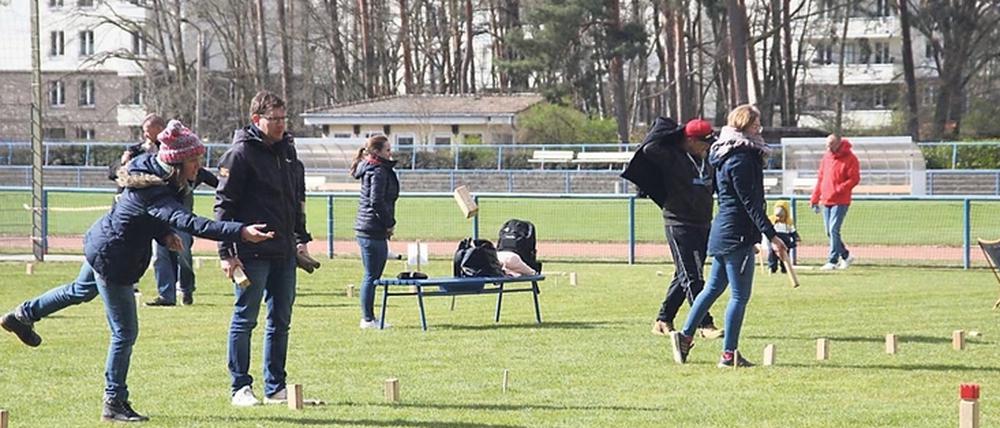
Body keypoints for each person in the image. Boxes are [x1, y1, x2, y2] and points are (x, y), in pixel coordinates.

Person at [2, 120, 273, 422]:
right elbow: (195, 223)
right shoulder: (155, 192)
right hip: (113, 258)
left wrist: (162, 234)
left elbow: (153, 212)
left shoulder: (152, 167)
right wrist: (241, 232)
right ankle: (114, 402)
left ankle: (22, 315)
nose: (199, 166)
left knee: (79, 290)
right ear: (177, 163)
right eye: (195, 161)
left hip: (101, 241)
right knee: (125, 332)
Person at [216, 90, 314, 407]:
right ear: (257, 120)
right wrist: (226, 253)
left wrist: (300, 240)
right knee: (245, 319)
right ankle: (240, 387)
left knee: (280, 321)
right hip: (251, 253)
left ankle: (275, 387)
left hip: (284, 254)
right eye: (275, 119)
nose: (282, 125)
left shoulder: (288, 153)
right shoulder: (240, 154)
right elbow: (223, 208)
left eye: (284, 118)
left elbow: (296, 201)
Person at [670, 105, 787, 368]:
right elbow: (750, 202)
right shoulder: (742, 158)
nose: (760, 129)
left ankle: (685, 337)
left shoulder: (726, 153)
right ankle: (728, 354)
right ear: (746, 126)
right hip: (737, 233)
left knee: (713, 288)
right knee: (739, 295)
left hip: (724, 229)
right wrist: (772, 235)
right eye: (757, 125)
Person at [627, 117, 723, 339]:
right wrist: (674, 132)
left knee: (684, 275)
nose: (706, 147)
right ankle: (704, 324)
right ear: (689, 140)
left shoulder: (706, 159)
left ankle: (663, 319)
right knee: (692, 276)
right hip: (678, 222)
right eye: (702, 142)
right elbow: (649, 147)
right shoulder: (670, 156)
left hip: (703, 221)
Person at [350, 134, 400, 330]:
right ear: (377, 152)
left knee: (373, 274)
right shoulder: (377, 171)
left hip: (372, 228)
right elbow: (376, 201)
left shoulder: (376, 168)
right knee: (371, 275)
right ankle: (368, 319)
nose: (391, 153)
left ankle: (370, 317)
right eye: (387, 150)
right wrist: (389, 223)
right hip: (371, 229)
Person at [810, 133, 860, 270]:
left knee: (833, 229)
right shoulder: (826, 158)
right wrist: (815, 198)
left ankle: (832, 260)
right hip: (826, 199)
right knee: (829, 231)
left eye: (830, 144)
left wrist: (840, 188)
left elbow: (854, 179)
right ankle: (846, 255)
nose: (827, 147)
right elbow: (821, 178)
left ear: (838, 143)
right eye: (826, 145)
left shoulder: (851, 158)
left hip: (841, 200)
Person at [767, 200, 800, 274]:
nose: (779, 218)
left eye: (781, 216)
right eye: (777, 216)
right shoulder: (772, 222)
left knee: (785, 255)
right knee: (772, 254)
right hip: (774, 241)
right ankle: (772, 267)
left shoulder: (788, 223)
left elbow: (792, 231)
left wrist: (795, 237)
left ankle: (785, 268)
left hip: (785, 242)